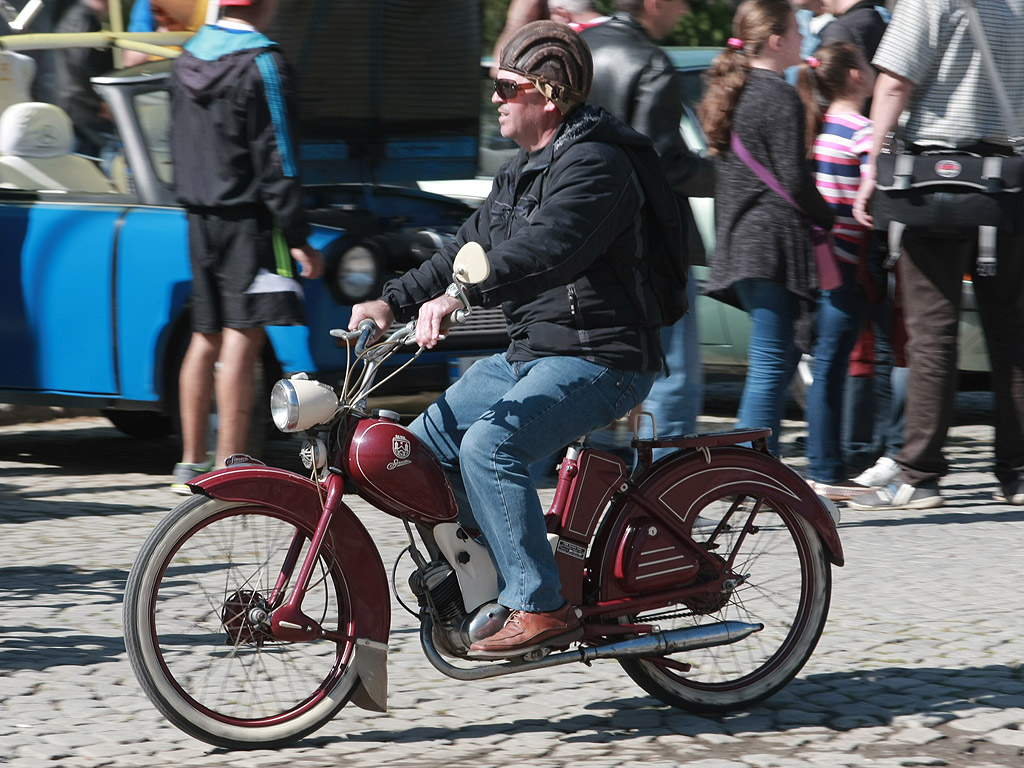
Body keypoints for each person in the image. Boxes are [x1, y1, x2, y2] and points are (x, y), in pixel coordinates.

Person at [349, 20, 681, 658]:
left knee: (489, 445)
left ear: (548, 96)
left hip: (602, 356)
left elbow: (549, 249)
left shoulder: (599, 167)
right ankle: (492, 577)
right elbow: (462, 248)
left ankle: (540, 603)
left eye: (505, 87)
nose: (494, 99)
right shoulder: (520, 172)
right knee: (421, 446)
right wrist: (391, 300)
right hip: (534, 353)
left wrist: (462, 297)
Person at [850, 0, 1024, 511]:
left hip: (931, 187)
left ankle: (921, 475)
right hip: (1008, 185)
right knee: (1012, 334)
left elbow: (895, 81)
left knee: (932, 336)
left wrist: (870, 165)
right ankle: (1016, 472)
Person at [168, 0, 323, 493]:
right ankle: (230, 466)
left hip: (198, 216)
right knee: (244, 335)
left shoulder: (187, 55)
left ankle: (189, 462)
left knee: (204, 334)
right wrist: (298, 234)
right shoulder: (264, 62)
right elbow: (279, 156)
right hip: (247, 221)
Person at [699, 0, 834, 456]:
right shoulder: (778, 95)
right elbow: (794, 178)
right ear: (776, 41)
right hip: (771, 248)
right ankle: (744, 468)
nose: (803, 39)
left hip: (744, 246)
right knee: (772, 362)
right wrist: (829, 217)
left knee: (776, 359)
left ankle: (752, 465)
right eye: (797, 31)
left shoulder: (739, 90)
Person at [583, 0, 714, 444]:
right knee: (671, 373)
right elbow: (659, 159)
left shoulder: (579, 48)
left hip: (582, 235)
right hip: (650, 243)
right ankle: (669, 490)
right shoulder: (652, 62)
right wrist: (722, 172)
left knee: (594, 364)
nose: (685, 10)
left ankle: (588, 487)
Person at [795, 41, 874, 500]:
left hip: (825, 261)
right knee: (832, 365)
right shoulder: (862, 132)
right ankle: (828, 467)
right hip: (851, 262)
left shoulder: (821, 131)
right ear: (855, 77)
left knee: (827, 363)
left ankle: (827, 463)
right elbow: (872, 189)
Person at [52, 0, 115, 159]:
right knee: (111, 146)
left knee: (81, 154)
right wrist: (101, 99)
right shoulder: (83, 18)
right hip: (83, 102)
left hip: (74, 100)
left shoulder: (74, 16)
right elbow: (80, 61)